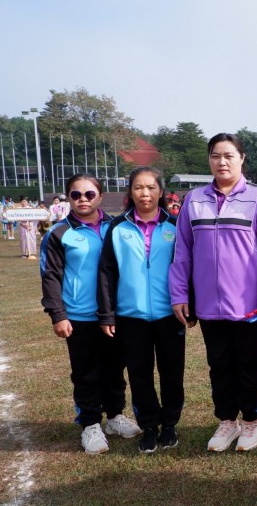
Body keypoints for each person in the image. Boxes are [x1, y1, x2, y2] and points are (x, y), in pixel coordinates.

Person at [169, 133, 257, 453]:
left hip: (249, 305)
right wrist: (180, 295)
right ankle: (227, 421)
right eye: (216, 156)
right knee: (219, 365)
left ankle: (251, 421)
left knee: (249, 365)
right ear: (209, 160)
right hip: (208, 303)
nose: (222, 162)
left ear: (242, 159)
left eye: (229, 155)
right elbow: (181, 251)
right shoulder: (194, 199)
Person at [40, 173, 141, 454]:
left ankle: (115, 416)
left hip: (116, 314)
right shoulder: (59, 232)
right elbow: (50, 276)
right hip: (79, 316)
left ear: (100, 196)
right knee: (86, 373)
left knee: (115, 369)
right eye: (75, 195)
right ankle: (90, 424)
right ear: (68, 198)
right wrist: (58, 314)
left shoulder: (117, 226)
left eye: (89, 194)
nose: (82, 199)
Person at [98, 166, 184, 454]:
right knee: (139, 374)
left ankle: (169, 424)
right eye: (138, 187)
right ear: (130, 192)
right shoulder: (118, 227)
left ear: (161, 191)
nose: (144, 193)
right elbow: (107, 272)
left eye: (150, 187)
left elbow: (187, 268)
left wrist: (190, 306)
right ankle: (149, 426)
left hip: (169, 314)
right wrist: (107, 313)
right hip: (130, 316)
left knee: (172, 372)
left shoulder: (175, 226)